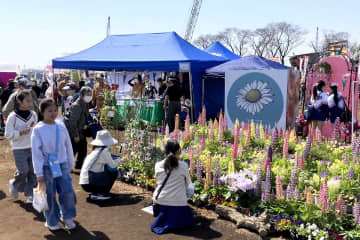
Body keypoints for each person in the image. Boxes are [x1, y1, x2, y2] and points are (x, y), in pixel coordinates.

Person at [31, 98, 77, 230]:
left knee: (67, 192)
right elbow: (36, 153)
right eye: (49, 110)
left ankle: (67, 216)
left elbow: (68, 145)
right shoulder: (38, 130)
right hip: (46, 168)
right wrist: (39, 173)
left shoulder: (61, 126)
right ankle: (51, 220)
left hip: (62, 164)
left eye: (55, 110)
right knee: (49, 195)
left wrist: (70, 162)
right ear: (42, 112)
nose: (53, 113)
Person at [151, 139, 194, 234]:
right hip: (179, 205)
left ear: (165, 151)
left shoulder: (157, 165)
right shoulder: (183, 165)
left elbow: (158, 182)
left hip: (160, 202)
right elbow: (187, 184)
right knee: (191, 186)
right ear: (178, 151)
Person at [5, 90, 38, 203]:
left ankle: (30, 194)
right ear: (19, 101)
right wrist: (20, 133)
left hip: (32, 147)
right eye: (27, 101)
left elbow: (36, 130)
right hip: (18, 148)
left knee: (33, 172)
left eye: (31, 101)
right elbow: (8, 134)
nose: (30, 103)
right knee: (23, 171)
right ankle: (14, 183)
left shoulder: (33, 114)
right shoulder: (12, 117)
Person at [80, 130, 121, 200]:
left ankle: (95, 192)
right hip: (90, 183)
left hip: (84, 183)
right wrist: (121, 159)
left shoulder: (95, 150)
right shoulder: (104, 151)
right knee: (113, 172)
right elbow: (113, 165)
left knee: (102, 169)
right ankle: (101, 193)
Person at [64, 86, 93, 169]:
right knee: (74, 149)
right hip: (74, 131)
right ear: (81, 95)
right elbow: (73, 122)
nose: (89, 97)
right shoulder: (77, 106)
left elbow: (86, 115)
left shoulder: (85, 104)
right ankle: (67, 167)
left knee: (82, 149)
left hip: (80, 130)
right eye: (87, 95)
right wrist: (75, 135)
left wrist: (92, 118)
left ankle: (78, 166)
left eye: (90, 95)